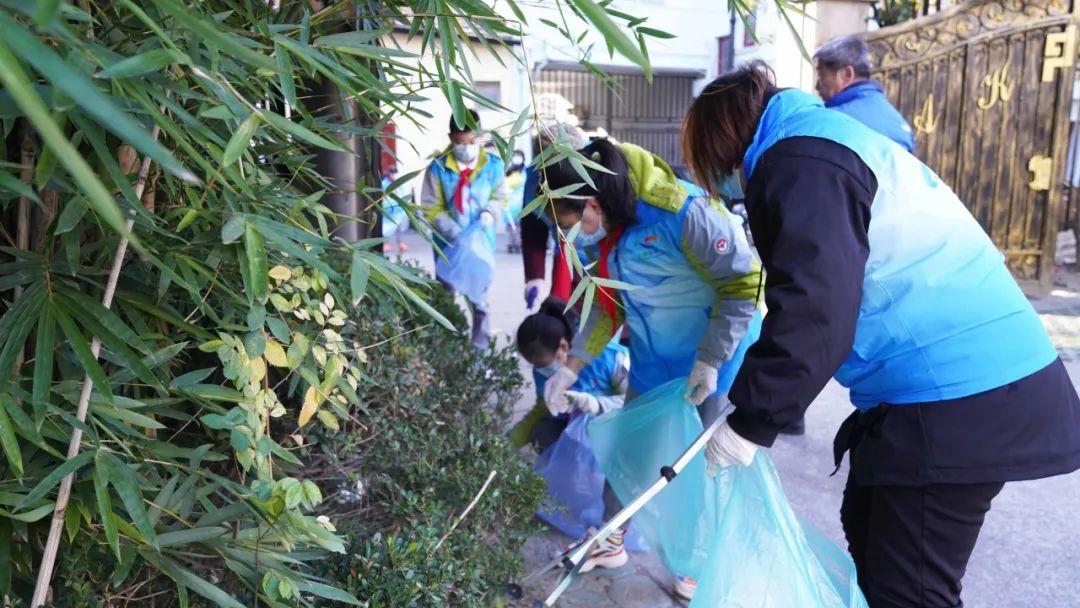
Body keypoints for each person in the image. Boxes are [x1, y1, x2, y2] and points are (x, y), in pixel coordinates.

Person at [681, 60, 1080, 608]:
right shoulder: (821, 141)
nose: (724, 189)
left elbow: (814, 309)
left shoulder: (800, 161)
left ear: (723, 143)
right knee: (868, 524)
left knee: (907, 589)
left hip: (961, 393)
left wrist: (752, 421)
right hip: (961, 386)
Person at [539, 137, 764, 599]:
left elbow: (745, 282)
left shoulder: (683, 212)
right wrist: (572, 367)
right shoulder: (611, 232)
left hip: (715, 361)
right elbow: (607, 304)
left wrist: (710, 359)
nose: (579, 234)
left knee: (701, 466)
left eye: (577, 221)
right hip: (653, 358)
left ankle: (697, 564)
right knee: (629, 453)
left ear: (595, 200)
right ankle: (611, 538)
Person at [511, 298, 635, 569]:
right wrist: (507, 444)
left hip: (617, 430)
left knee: (620, 468)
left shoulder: (609, 358)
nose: (543, 370)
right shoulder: (546, 371)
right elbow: (540, 409)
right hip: (580, 435)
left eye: (544, 364)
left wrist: (598, 404)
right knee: (542, 431)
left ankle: (608, 526)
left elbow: (637, 403)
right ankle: (575, 493)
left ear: (564, 348)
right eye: (537, 367)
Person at [420, 110, 507, 347]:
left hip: (481, 244)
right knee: (446, 297)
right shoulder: (438, 168)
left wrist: (490, 212)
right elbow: (430, 206)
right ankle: (447, 348)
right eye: (459, 142)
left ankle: (480, 352)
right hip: (449, 245)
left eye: (471, 141)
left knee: (480, 299)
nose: (465, 147)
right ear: (450, 138)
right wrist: (453, 231)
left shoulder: (493, 166)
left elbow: (500, 196)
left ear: (480, 137)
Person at [520, 123, 589, 310]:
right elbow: (533, 228)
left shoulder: (596, 173)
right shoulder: (534, 181)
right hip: (564, 250)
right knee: (561, 308)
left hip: (603, 257)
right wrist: (535, 276)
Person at [814, 35, 915, 153]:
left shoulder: (831, 120)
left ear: (846, 74)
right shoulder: (900, 126)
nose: (817, 86)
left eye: (822, 76)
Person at [380, 165, 410, 255]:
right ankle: (386, 243)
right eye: (392, 174)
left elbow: (403, 194)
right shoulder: (384, 183)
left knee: (399, 228)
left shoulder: (399, 183)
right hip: (388, 209)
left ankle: (400, 243)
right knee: (386, 228)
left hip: (398, 209)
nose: (394, 176)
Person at [504, 150, 527, 254]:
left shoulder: (526, 171)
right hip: (510, 202)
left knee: (519, 225)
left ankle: (518, 244)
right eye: (515, 156)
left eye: (519, 156)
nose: (517, 158)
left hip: (522, 202)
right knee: (510, 225)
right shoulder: (509, 171)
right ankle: (510, 244)